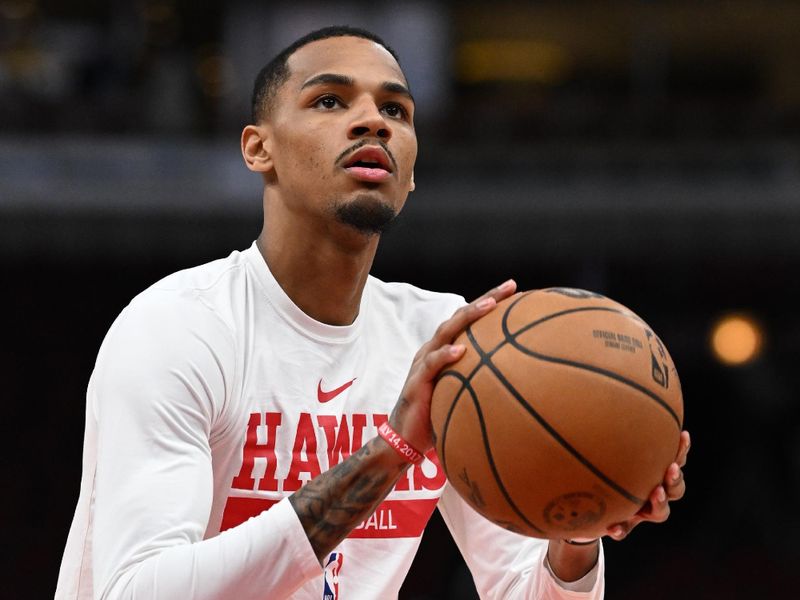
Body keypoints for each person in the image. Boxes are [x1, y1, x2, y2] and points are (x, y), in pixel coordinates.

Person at [56, 26, 689, 600]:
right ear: (258, 149)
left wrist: (577, 524)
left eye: (396, 110)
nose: (373, 123)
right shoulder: (179, 327)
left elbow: (520, 590)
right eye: (330, 101)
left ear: (411, 173)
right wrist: (389, 452)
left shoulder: (448, 344)